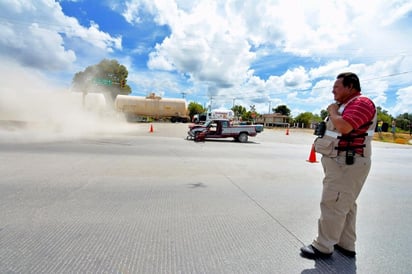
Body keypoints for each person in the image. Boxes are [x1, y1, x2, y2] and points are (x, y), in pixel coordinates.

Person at [301, 72, 377, 259]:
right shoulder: (347, 105)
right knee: (345, 203)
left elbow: (344, 127)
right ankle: (345, 244)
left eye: (336, 87)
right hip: (340, 161)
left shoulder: (361, 103)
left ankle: (323, 246)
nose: (332, 90)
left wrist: (333, 112)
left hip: (347, 163)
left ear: (350, 87)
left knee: (333, 202)